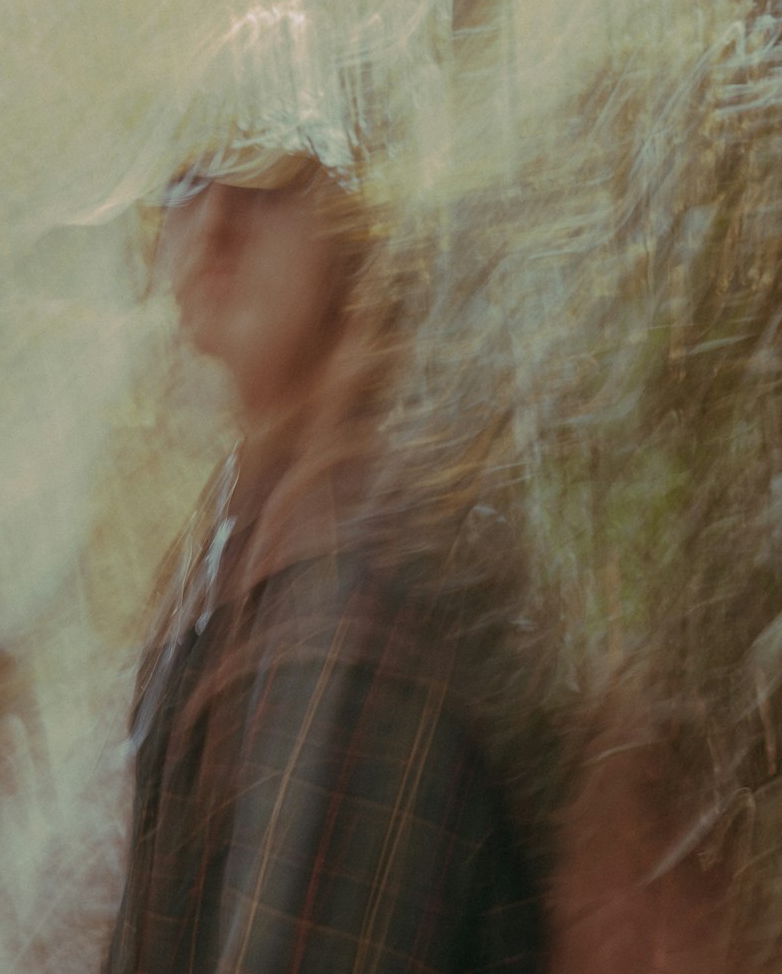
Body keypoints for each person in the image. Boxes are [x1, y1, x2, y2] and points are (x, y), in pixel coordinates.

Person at [105, 132, 547, 973]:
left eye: (268, 181)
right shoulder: (245, 526)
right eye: (189, 183)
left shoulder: (357, 595)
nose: (214, 225)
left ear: (355, 227)